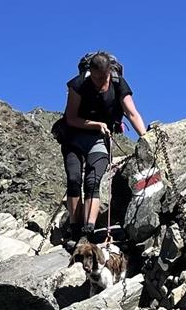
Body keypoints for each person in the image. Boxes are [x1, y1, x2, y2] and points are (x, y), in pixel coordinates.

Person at [56, 51, 148, 240]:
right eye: (96, 78)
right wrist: (97, 124)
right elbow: (71, 118)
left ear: (108, 72)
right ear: (90, 72)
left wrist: (145, 138)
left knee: (93, 181)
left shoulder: (117, 83)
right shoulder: (78, 84)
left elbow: (132, 113)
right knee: (74, 180)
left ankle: (88, 229)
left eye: (103, 77)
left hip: (98, 140)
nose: (100, 82)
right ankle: (75, 227)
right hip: (74, 137)